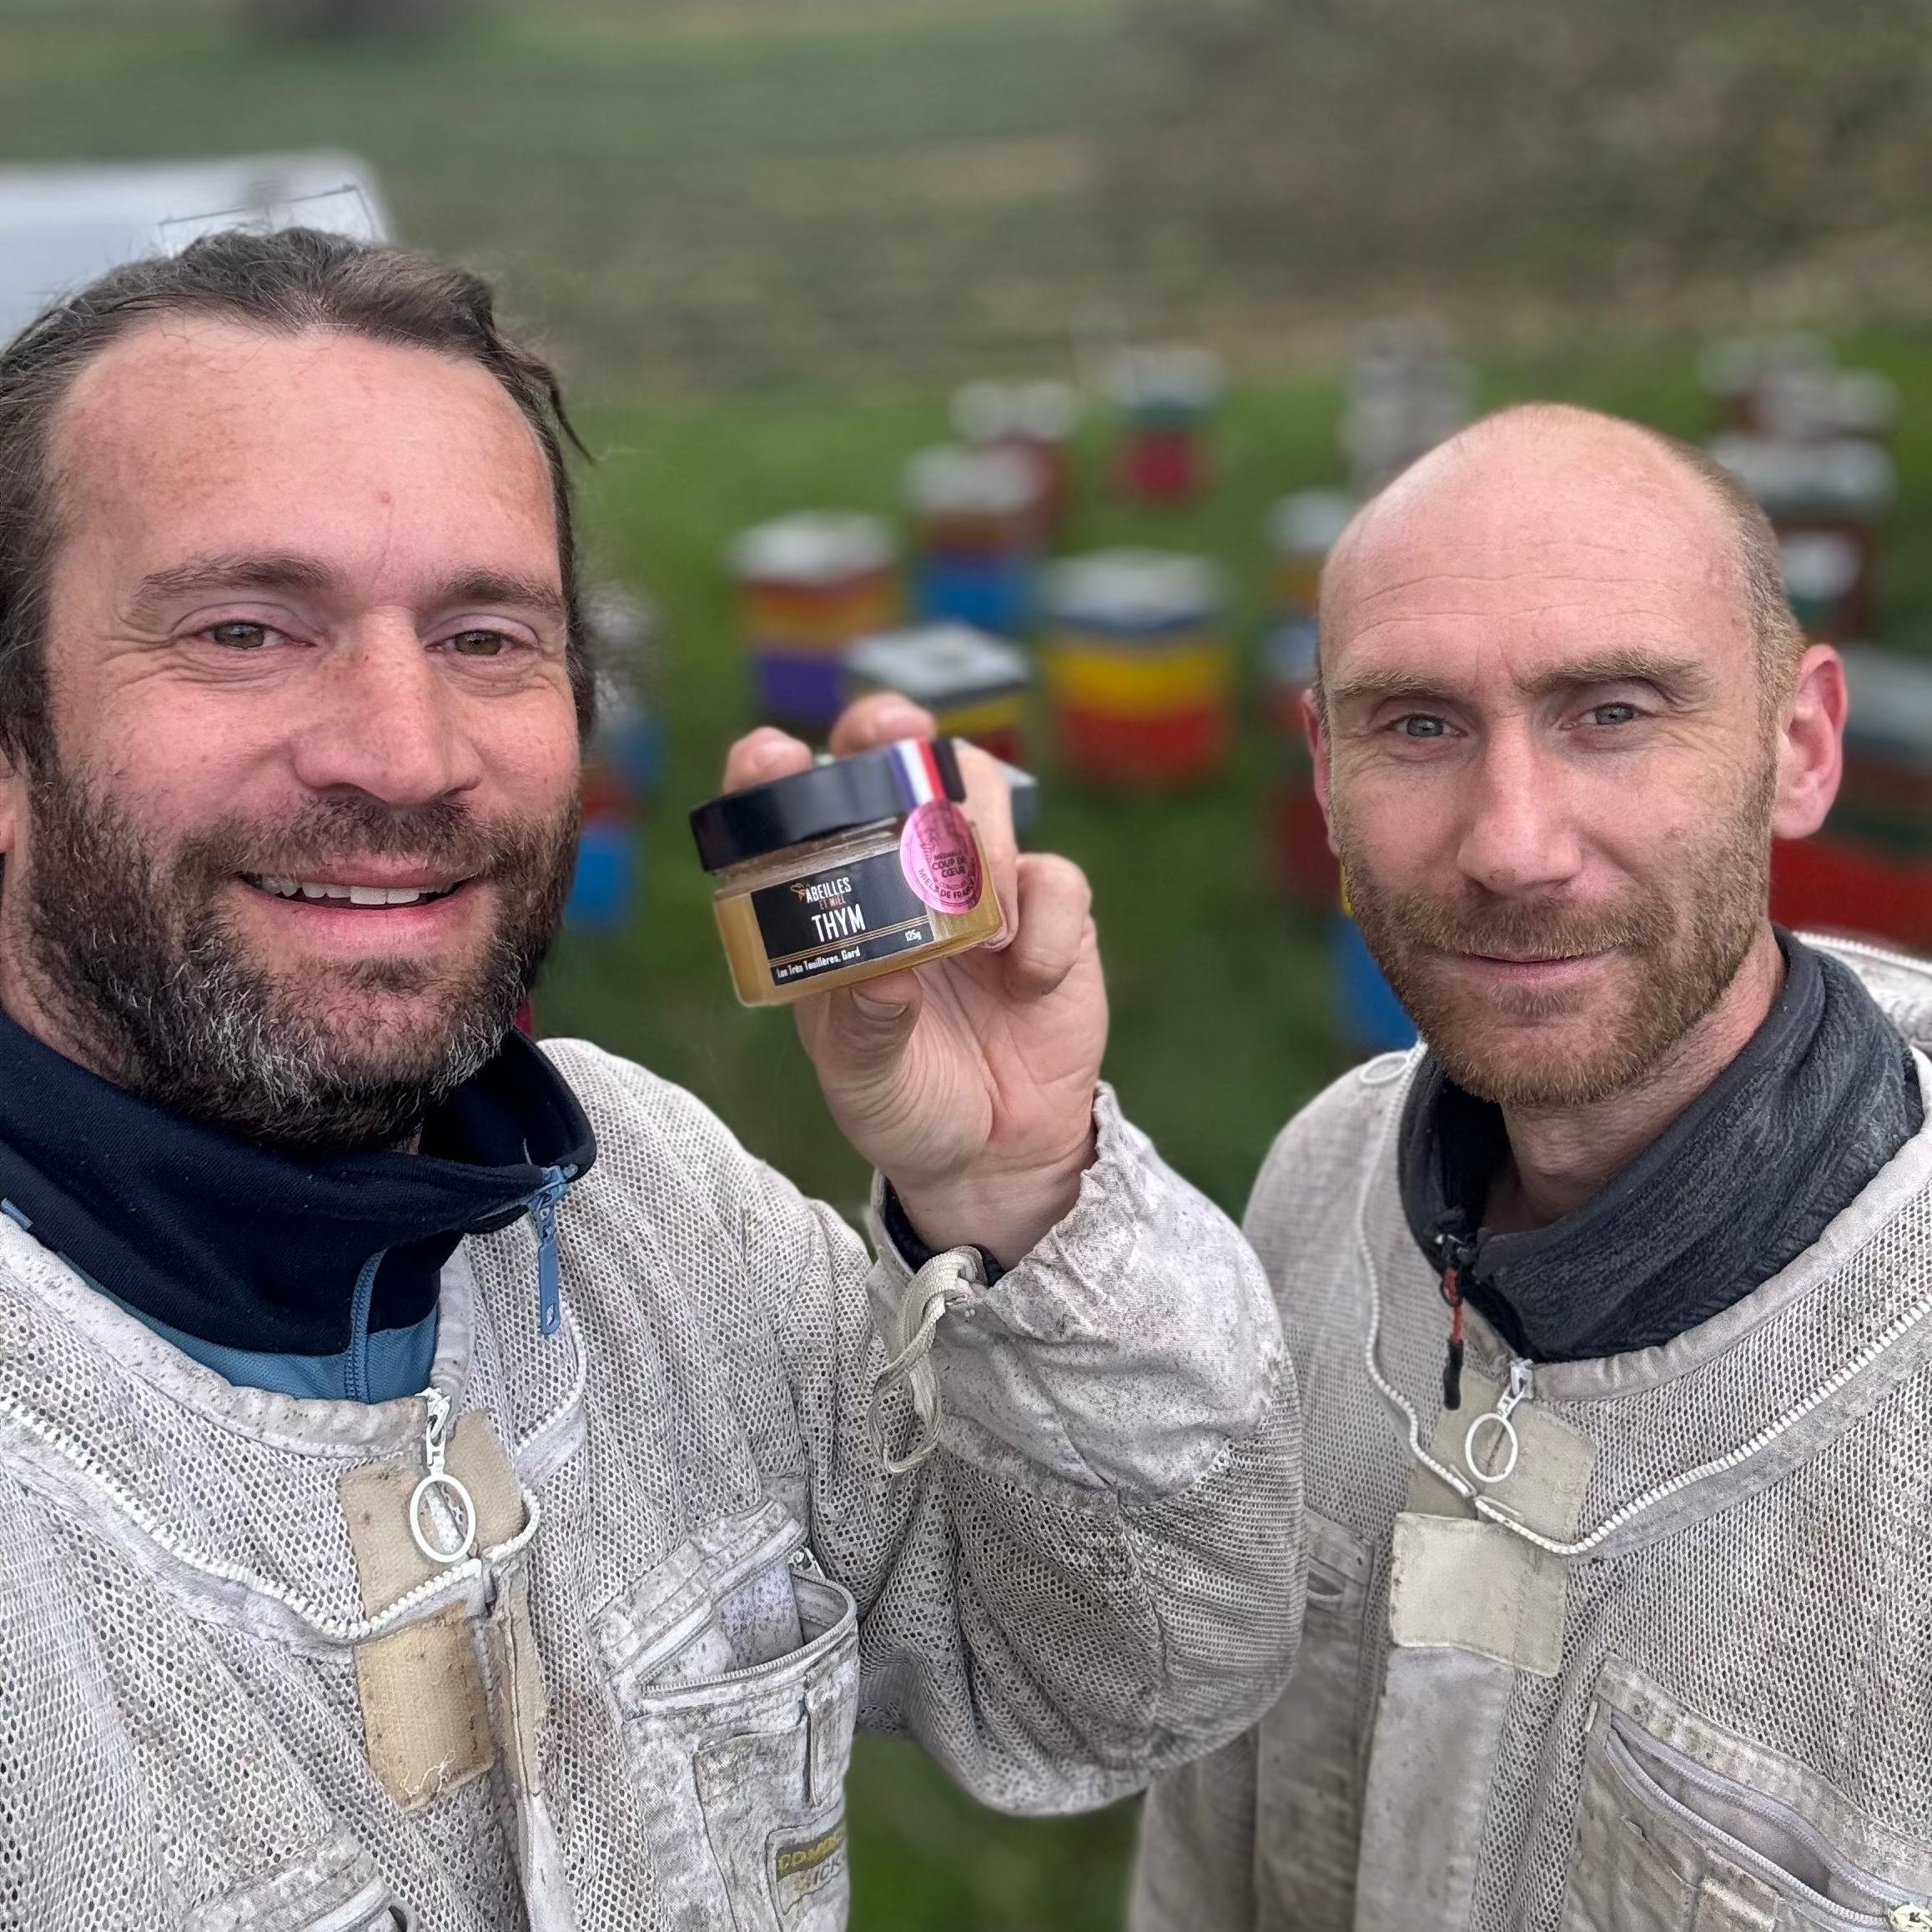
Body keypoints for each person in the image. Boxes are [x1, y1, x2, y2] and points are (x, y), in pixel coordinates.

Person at [0, 227, 1303, 1930]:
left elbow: (1130, 1680)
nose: (405, 753)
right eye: (247, 629)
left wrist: (1021, 1200)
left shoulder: (653, 1204)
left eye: (486, 638)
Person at [1132, 402, 1932, 1932]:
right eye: (1418, 725)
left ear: (1802, 747)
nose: (1512, 845)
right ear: (1323, 770)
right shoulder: (1319, 1182)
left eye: (1613, 712)